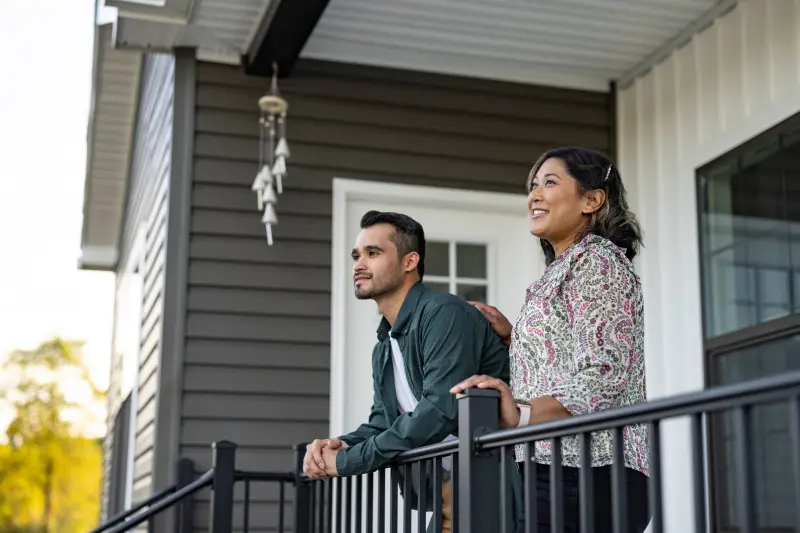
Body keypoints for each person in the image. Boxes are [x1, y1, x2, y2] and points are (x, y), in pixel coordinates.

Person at [450, 146, 651, 533]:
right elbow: (565, 358)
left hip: (592, 474)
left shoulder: (598, 262)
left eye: (549, 182)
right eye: (533, 186)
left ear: (592, 200)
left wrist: (521, 413)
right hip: (551, 467)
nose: (534, 195)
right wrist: (515, 339)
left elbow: (605, 373)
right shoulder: (561, 269)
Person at [302, 210, 509, 532]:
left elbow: (441, 408)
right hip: (448, 486)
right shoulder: (385, 344)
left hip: (497, 480)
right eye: (357, 255)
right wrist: (339, 445)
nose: (359, 264)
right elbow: (384, 421)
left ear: (410, 261)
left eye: (373, 253)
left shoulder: (443, 313)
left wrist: (349, 462)